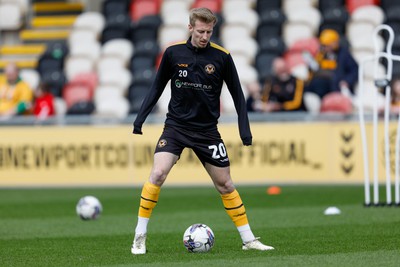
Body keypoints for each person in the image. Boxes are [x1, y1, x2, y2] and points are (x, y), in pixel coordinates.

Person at [131, 7, 274, 254]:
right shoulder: (173, 53)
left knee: (226, 184)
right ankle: (139, 236)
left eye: (209, 31)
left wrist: (245, 131)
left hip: (207, 131)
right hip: (175, 127)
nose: (205, 36)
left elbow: (238, 95)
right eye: (200, 31)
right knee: (158, 174)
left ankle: (249, 240)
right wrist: (139, 120)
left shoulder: (222, 57)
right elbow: (156, 88)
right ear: (190, 28)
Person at [305, 29, 358, 101]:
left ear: (335, 43)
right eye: (323, 45)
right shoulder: (320, 54)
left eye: (327, 45)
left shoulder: (344, 54)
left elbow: (355, 70)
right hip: (319, 84)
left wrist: (347, 81)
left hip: (334, 85)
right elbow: (314, 69)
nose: (325, 48)